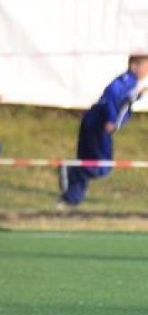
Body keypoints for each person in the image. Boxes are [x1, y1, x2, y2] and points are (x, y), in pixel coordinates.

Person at [59, 54, 148, 207]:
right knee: (102, 166)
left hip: (93, 122)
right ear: (134, 66)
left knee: (88, 160)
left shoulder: (131, 84)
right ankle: (71, 169)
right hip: (98, 125)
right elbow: (111, 96)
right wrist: (111, 120)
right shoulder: (126, 81)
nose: (147, 71)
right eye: (145, 67)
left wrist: (138, 96)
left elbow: (124, 102)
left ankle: (71, 200)